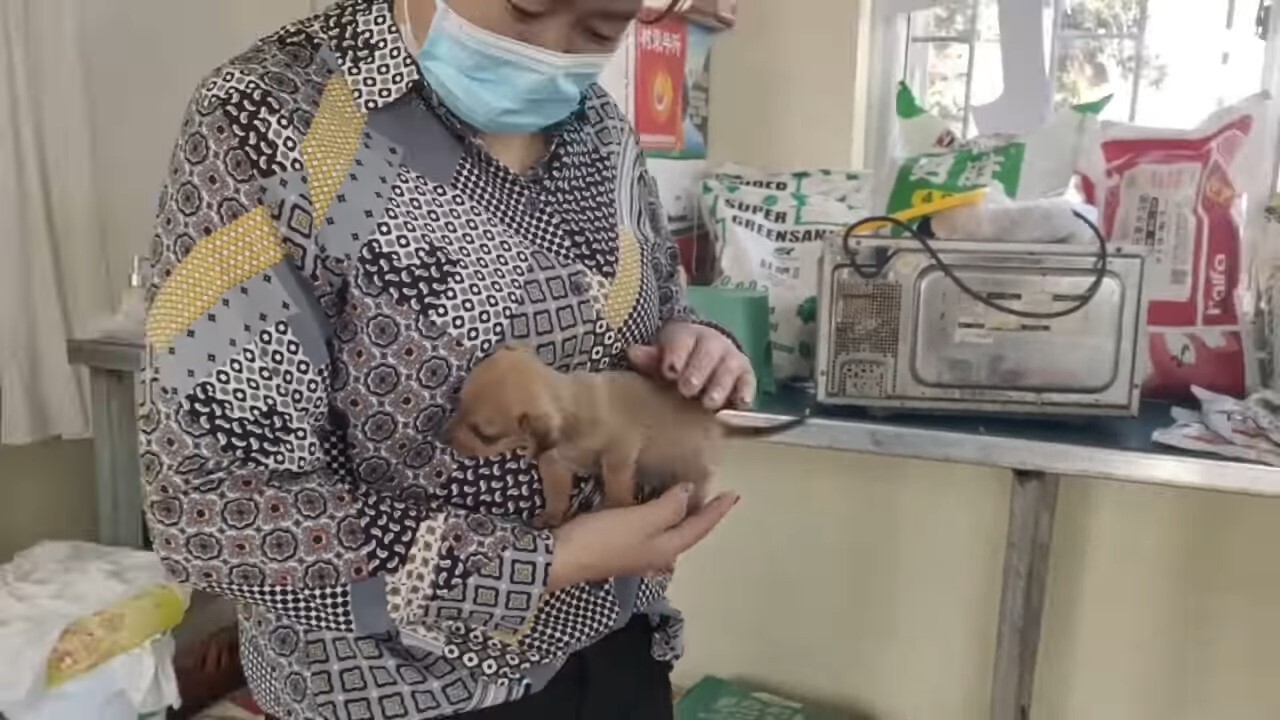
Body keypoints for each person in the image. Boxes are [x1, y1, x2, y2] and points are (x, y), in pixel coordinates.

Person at [139, 0, 754, 718]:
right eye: (528, 8)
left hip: (615, 648)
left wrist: (692, 341)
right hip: (396, 687)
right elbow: (210, 505)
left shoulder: (598, 126)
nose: (549, 54)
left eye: (598, 29)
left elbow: (649, 300)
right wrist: (543, 565)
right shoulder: (271, 118)